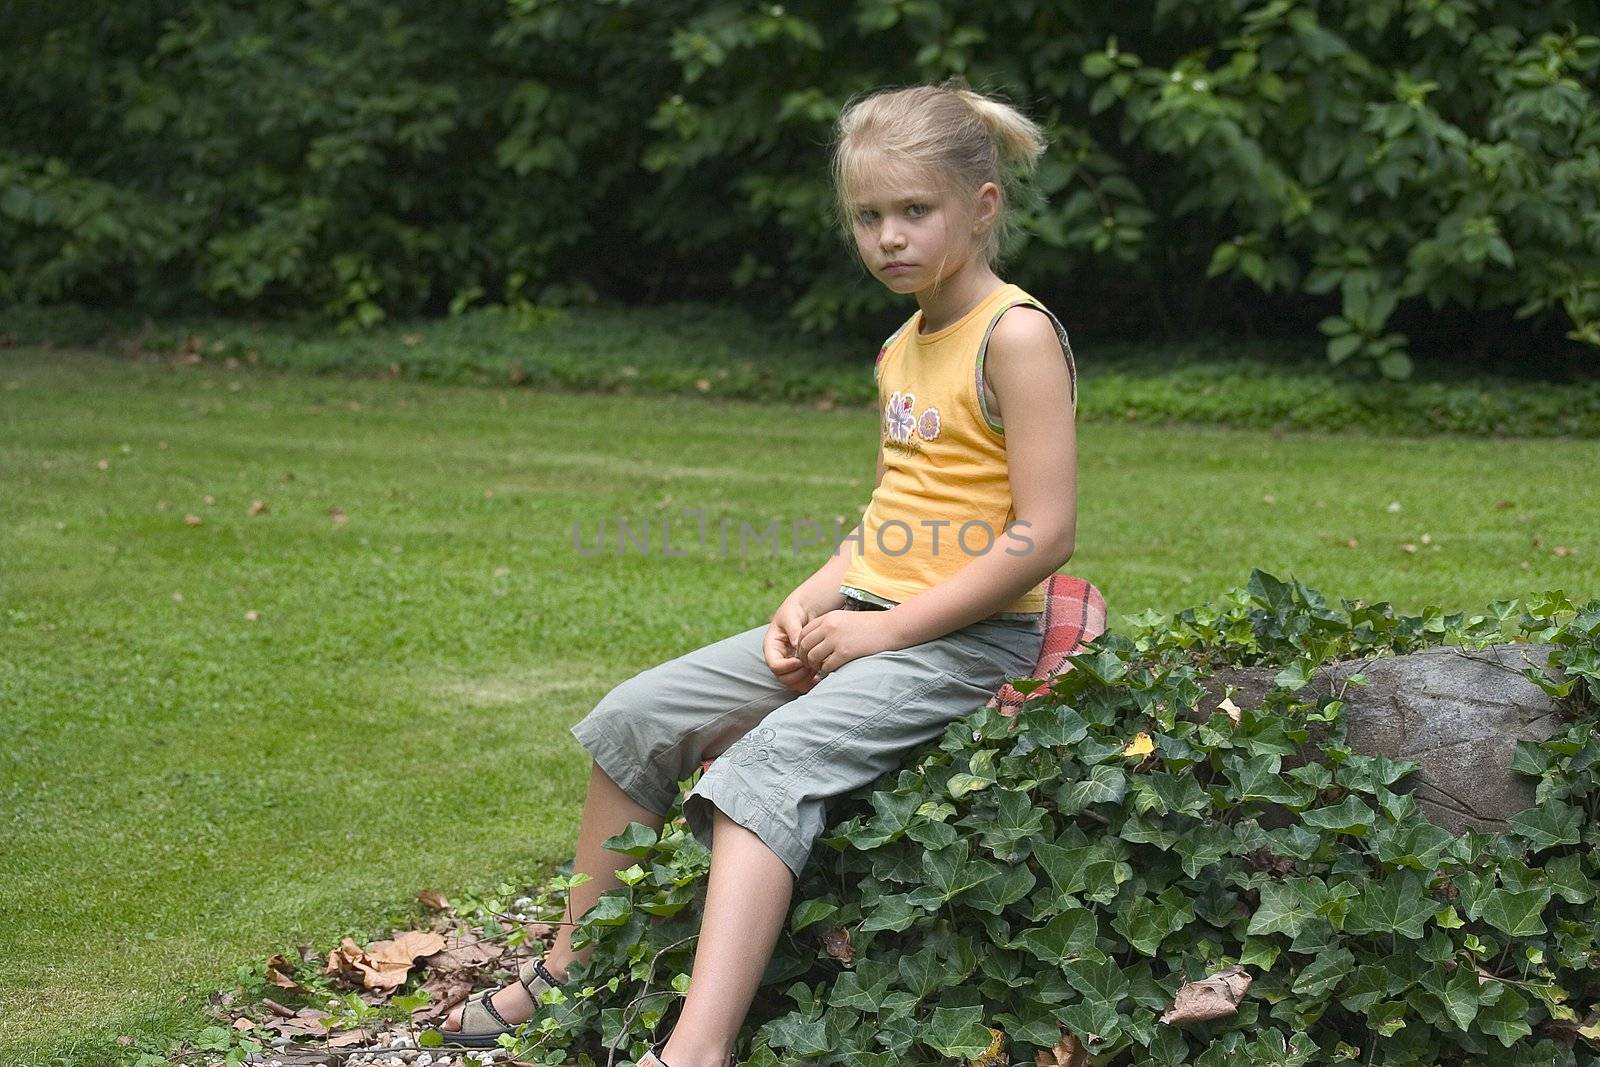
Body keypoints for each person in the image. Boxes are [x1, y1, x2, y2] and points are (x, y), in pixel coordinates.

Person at [437, 77, 1079, 1067]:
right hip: (870, 607)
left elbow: (1042, 535)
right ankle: (571, 965)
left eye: (915, 211)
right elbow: (899, 511)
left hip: (971, 637)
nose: (889, 237)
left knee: (757, 773)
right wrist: (820, 589)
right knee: (632, 718)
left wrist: (883, 629)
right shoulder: (902, 344)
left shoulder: (1016, 334)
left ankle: (697, 1047)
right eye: (868, 217)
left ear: (981, 206)